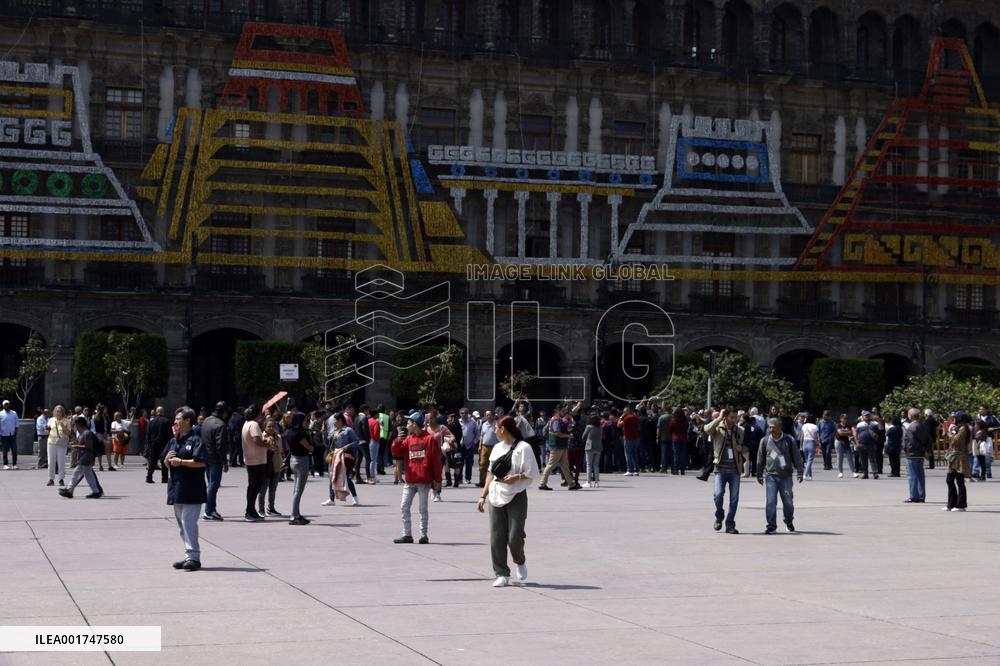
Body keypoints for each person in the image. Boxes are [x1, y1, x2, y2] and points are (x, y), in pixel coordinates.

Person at [477, 415, 539, 587]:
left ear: (502, 429)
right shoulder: (496, 448)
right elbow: (491, 474)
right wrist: (483, 496)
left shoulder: (523, 447)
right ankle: (502, 573)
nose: (494, 431)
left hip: (516, 494)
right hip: (496, 494)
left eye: (496, 428)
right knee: (497, 537)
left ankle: (520, 560)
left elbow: (532, 472)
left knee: (515, 536)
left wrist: (516, 477)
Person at [162, 407, 207, 571]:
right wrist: (167, 460)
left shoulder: (196, 440)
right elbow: (166, 462)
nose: (175, 422)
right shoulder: (173, 441)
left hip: (192, 489)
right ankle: (189, 555)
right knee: (182, 525)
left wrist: (181, 461)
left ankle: (194, 558)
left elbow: (201, 462)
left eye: (178, 419)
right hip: (177, 488)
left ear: (188, 420)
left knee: (189, 524)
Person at [391, 411, 442, 544]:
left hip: (424, 481)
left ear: (414, 424)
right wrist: (397, 441)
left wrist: (438, 480)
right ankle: (407, 534)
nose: (406, 424)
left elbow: (436, 461)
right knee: (404, 507)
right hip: (410, 480)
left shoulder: (429, 439)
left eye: (408, 422)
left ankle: (423, 535)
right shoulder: (408, 439)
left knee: (422, 509)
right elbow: (397, 452)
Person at [756, 417, 804, 534]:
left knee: (788, 501)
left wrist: (800, 471)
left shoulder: (789, 440)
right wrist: (759, 474)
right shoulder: (765, 440)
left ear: (780, 427)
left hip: (786, 476)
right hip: (771, 476)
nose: (771, 429)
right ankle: (771, 526)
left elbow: (796, 456)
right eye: (769, 427)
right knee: (771, 502)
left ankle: (788, 521)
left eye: (773, 427)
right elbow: (760, 458)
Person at [705, 408, 744, 534]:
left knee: (734, 498)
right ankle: (719, 515)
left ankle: (730, 524)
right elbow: (706, 429)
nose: (734, 420)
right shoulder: (718, 428)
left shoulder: (740, 430)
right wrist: (718, 418)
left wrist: (741, 448)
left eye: (736, 417)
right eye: (732, 417)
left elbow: (748, 445)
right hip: (720, 469)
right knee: (718, 495)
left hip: (735, 470)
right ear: (725, 416)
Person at [538, 404, 581, 491]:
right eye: (563, 411)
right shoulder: (556, 420)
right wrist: (568, 436)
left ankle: (571, 484)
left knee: (565, 465)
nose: (565, 412)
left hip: (561, 446)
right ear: (559, 411)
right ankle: (542, 484)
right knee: (550, 465)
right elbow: (557, 433)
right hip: (557, 446)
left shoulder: (557, 419)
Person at [322, 412, 361, 506]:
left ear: (340, 420)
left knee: (346, 477)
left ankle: (355, 497)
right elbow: (327, 445)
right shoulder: (333, 431)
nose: (333, 423)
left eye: (334, 421)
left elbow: (357, 441)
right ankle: (331, 499)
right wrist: (324, 434)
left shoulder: (348, 430)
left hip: (343, 457)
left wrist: (346, 447)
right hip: (334, 456)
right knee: (332, 477)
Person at [59, 416, 103, 498]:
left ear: (78, 424)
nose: (74, 427)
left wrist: (76, 446)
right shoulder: (83, 433)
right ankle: (96, 491)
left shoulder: (87, 433)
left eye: (74, 425)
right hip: (84, 457)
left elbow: (88, 446)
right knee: (88, 475)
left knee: (77, 474)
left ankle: (70, 490)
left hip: (86, 458)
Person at [200, 402, 230, 521]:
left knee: (211, 484)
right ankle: (209, 511)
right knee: (214, 485)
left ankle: (211, 508)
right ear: (224, 412)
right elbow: (220, 446)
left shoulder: (207, 420)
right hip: (215, 459)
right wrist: (225, 462)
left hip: (206, 457)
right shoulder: (221, 425)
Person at [284, 411, 313, 525]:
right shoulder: (300, 434)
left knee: (296, 490)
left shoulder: (290, 432)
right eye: (306, 420)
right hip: (301, 461)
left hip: (293, 460)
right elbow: (310, 448)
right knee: (298, 490)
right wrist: (310, 438)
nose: (308, 422)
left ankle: (296, 513)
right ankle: (294, 515)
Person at [241, 404, 268, 522]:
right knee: (255, 486)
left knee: (253, 486)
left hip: (251, 459)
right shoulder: (254, 424)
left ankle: (251, 510)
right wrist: (267, 444)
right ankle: (249, 511)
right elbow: (257, 439)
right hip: (256, 460)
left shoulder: (247, 423)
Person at [945, 411, 972, 511]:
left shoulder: (963, 428)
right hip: (954, 457)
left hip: (960, 457)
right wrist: (947, 429)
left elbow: (955, 439)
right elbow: (951, 437)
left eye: (955, 418)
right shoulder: (957, 428)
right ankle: (951, 504)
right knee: (949, 480)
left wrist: (948, 432)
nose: (953, 420)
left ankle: (961, 505)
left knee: (960, 481)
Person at [902, 409, 930, 503]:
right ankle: (921, 496)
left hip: (912, 453)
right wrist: (925, 451)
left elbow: (911, 441)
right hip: (920, 454)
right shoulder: (923, 425)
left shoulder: (911, 426)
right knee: (920, 475)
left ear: (911, 415)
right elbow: (928, 440)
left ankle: (913, 496)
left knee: (912, 475)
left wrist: (905, 449)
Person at [258, 417, 284, 517]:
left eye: (273, 426)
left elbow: (281, 450)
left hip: (277, 465)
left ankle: (271, 508)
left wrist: (275, 447)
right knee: (263, 489)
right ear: (264, 427)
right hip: (266, 466)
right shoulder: (261, 437)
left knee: (273, 489)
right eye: (269, 426)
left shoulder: (278, 437)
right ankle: (261, 510)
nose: (271, 428)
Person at [44, 405, 71, 487]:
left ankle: (61, 479)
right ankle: (51, 479)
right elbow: (47, 431)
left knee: (61, 461)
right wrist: (46, 430)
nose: (58, 413)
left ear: (63, 412)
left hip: (62, 443)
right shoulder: (51, 420)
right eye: (57, 411)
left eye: (60, 411)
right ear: (54, 412)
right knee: (51, 461)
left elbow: (68, 433)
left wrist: (63, 427)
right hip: (51, 442)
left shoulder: (66, 421)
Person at [147, 406, 171, 483]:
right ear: (163, 412)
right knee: (164, 461)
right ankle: (164, 478)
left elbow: (148, 434)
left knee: (152, 461)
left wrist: (148, 444)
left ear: (156, 412)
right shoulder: (166, 421)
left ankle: (149, 477)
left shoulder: (151, 422)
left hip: (153, 443)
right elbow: (170, 434)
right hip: (164, 444)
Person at [582, 413, 603, 488]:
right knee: (596, 465)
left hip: (589, 447)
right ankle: (596, 482)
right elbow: (601, 437)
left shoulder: (589, 427)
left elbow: (583, 436)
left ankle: (588, 482)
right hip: (598, 447)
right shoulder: (600, 428)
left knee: (589, 465)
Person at [478, 410, 497, 488]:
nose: (488, 416)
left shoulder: (496, 424)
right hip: (484, 446)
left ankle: (493, 481)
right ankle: (482, 482)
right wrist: (480, 446)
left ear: (493, 415)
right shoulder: (484, 424)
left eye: (489, 415)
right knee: (482, 464)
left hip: (494, 447)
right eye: (487, 415)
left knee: (493, 464)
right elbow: (482, 436)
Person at [459, 408, 479, 485]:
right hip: (460, 445)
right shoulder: (458, 422)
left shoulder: (473, 422)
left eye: (465, 413)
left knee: (469, 463)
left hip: (470, 445)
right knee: (459, 462)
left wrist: (474, 442)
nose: (464, 414)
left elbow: (477, 433)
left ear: (468, 414)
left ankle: (468, 478)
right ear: (460, 414)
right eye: (462, 413)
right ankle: (459, 479)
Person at [620, 404, 641, 476]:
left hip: (629, 438)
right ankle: (636, 470)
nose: (623, 413)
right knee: (634, 454)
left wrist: (621, 417)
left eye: (624, 411)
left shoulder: (627, 417)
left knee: (628, 454)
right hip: (636, 438)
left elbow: (619, 425)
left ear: (628, 411)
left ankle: (630, 470)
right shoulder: (636, 417)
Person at [834, 414, 855, 479]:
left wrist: (845, 432)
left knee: (850, 458)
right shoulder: (838, 425)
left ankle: (853, 472)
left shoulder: (848, 425)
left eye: (846, 418)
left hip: (846, 442)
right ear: (841, 419)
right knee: (840, 458)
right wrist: (847, 432)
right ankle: (840, 472)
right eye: (844, 418)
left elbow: (852, 433)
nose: (845, 420)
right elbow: (840, 433)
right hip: (839, 442)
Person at [669, 407, 688, 475]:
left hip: (675, 438)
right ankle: (682, 470)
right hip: (683, 438)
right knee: (683, 454)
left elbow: (670, 428)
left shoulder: (673, 420)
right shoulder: (685, 420)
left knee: (676, 454)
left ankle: (675, 469)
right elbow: (687, 427)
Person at [1, 400, 19, 469]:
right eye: (5, 404)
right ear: (3, 406)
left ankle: (14, 464)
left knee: (14, 450)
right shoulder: (0, 414)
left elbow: (17, 424)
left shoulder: (14, 413)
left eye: (7, 404)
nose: (6, 406)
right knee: (5, 451)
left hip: (12, 435)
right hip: (4, 435)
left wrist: (16, 432)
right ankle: (5, 464)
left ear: (9, 405)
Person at [656, 404, 672, 474]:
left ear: (665, 410)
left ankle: (664, 468)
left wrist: (657, 437)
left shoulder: (661, 418)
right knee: (672, 453)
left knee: (664, 454)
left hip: (664, 437)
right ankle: (673, 467)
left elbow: (659, 428)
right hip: (672, 437)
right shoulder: (673, 417)